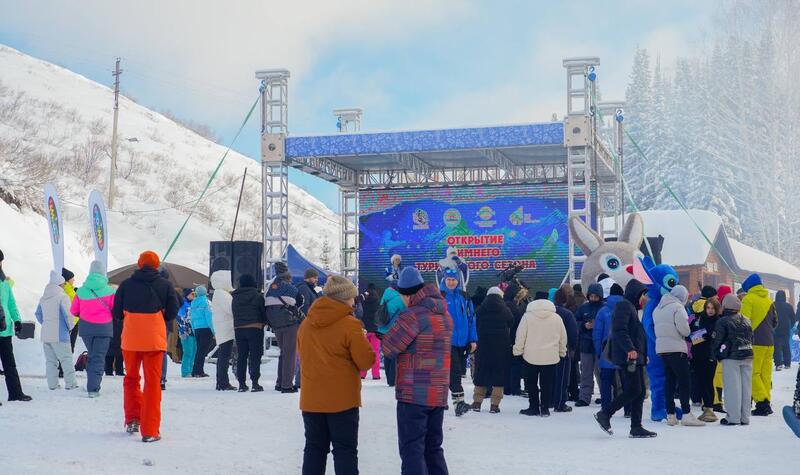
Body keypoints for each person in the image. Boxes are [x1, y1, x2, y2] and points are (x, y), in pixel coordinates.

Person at [297, 276, 375, 474]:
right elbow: (366, 361)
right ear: (344, 298)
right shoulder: (350, 325)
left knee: (314, 449)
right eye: (352, 298)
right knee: (345, 451)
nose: (354, 301)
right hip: (342, 401)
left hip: (312, 399)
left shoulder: (306, 324)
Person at [382, 267, 452, 475]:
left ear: (406, 293)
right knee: (433, 448)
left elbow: (389, 347)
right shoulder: (444, 313)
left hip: (414, 394)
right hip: (438, 392)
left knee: (412, 449)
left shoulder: (412, 315)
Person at [112, 251, 178, 442]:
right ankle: (150, 431)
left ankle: (133, 418)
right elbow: (172, 312)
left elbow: (117, 313)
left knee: (131, 378)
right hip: (154, 340)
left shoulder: (125, 285)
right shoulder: (165, 285)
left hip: (131, 340)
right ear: (157, 266)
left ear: (138, 265)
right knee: (152, 383)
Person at [594, 279, 657, 438]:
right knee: (634, 389)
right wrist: (630, 349)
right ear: (636, 294)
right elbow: (619, 330)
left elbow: (636, 335)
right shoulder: (624, 306)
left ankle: (636, 426)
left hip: (634, 356)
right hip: (628, 356)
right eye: (643, 295)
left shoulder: (631, 308)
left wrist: (643, 355)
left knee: (640, 391)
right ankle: (605, 413)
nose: (645, 298)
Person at [653, 284, 704, 426]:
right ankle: (687, 414)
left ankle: (671, 415)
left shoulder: (658, 308)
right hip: (676, 348)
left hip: (662, 349)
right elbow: (684, 330)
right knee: (684, 381)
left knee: (669, 381)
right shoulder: (677, 307)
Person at [513, 297, 567, 417]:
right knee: (547, 384)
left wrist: (517, 351)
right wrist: (562, 352)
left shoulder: (527, 317)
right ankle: (545, 408)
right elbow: (563, 338)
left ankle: (533, 407)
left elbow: (520, 336)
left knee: (531, 383)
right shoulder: (557, 318)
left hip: (530, 356)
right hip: (551, 357)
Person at [71, 260, 115, 397]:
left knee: (92, 355)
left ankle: (92, 382)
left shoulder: (81, 291)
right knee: (98, 357)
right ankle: (93, 388)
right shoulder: (110, 291)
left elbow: (73, 311)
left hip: (86, 329)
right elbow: (115, 310)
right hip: (104, 328)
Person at [711, 294, 754, 425]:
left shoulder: (723, 321)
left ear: (725, 306)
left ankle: (733, 417)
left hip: (731, 357)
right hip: (747, 354)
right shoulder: (747, 320)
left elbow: (717, 340)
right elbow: (751, 337)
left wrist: (714, 354)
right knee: (746, 388)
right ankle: (745, 417)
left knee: (732, 387)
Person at [440, 266, 477, 416]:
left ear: (458, 280)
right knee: (454, 373)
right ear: (444, 280)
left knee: (453, 373)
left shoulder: (465, 296)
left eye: (453, 280)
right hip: (445, 342)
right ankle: (459, 403)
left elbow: (472, 319)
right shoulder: (439, 297)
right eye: (448, 279)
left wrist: (473, 339)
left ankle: (441, 402)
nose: (451, 282)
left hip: (461, 342)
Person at [740, 273, 778, 416]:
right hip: (770, 342)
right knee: (765, 374)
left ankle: (762, 403)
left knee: (753, 373)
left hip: (755, 342)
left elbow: (744, 323)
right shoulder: (769, 300)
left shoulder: (748, 299)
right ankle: (766, 399)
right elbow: (775, 322)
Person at [471, 286, 514, 413]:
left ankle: (477, 402)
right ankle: (494, 405)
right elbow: (511, 322)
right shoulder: (506, 310)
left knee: (481, 372)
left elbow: (475, 323)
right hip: (501, 347)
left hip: (483, 346)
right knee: (499, 374)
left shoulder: (480, 310)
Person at [35, 270, 78, 391]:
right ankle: (71, 383)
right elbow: (68, 316)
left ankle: (53, 385)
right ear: (60, 284)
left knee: (50, 361)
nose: (65, 286)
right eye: (64, 284)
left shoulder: (43, 298)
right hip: (60, 334)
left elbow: (38, 314)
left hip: (46, 334)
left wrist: (47, 324)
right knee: (66, 359)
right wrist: (70, 328)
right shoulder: (62, 297)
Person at [265, 262, 303, 393]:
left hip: (275, 324)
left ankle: (279, 382)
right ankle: (286, 385)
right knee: (290, 354)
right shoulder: (290, 288)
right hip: (289, 323)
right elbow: (300, 302)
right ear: (287, 275)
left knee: (283, 353)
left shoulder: (271, 287)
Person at [0, 249, 31, 402]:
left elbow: (11, 303)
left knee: (9, 364)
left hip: (4, 329)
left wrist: (17, 320)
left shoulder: (4, 283)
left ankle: (15, 393)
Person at [593, 283, 627, 414]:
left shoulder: (603, 311)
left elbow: (597, 333)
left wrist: (598, 352)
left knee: (606, 382)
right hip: (625, 350)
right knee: (626, 382)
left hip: (607, 351)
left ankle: (606, 408)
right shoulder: (627, 308)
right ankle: (628, 409)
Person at [231, 274, 266, 392]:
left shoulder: (235, 297)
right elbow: (263, 312)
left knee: (242, 356)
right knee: (255, 356)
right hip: (255, 328)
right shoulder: (257, 296)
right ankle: (255, 383)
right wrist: (264, 322)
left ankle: (242, 384)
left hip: (239, 329)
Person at [689, 296, 722, 422]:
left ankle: (709, 408)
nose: (710, 310)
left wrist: (699, 335)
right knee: (700, 381)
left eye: (713, 308)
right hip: (697, 355)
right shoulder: (699, 319)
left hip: (710, 356)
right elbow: (691, 335)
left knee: (708, 382)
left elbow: (708, 336)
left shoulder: (718, 321)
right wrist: (700, 335)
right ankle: (707, 408)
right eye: (708, 308)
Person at [574, 283, 604, 407]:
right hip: (586, 345)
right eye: (591, 296)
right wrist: (584, 326)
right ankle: (584, 397)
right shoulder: (583, 308)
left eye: (595, 296)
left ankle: (606, 395)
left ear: (600, 296)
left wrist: (597, 326)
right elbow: (576, 322)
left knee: (602, 373)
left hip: (601, 346)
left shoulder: (604, 308)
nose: (593, 299)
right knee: (585, 372)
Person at [552, 284, 577, 412]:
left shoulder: (549, 312)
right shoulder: (567, 314)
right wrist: (573, 348)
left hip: (547, 350)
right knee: (562, 377)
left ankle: (548, 400)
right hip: (563, 349)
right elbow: (573, 334)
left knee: (549, 377)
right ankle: (560, 402)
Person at [377, 283, 406, 387]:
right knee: (394, 355)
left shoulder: (384, 296)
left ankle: (389, 378)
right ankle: (393, 380)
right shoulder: (399, 298)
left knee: (386, 355)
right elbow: (406, 312)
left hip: (382, 330)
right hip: (394, 330)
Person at [210, 270, 235, 391]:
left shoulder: (219, 293)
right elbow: (231, 310)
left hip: (223, 328)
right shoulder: (223, 294)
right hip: (226, 329)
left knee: (223, 356)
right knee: (224, 356)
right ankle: (223, 382)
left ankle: (221, 381)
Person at [504, 281, 527, 396]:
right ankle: (515, 388)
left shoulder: (504, 304)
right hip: (514, 339)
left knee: (507, 364)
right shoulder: (514, 307)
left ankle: (507, 387)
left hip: (505, 339)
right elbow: (518, 324)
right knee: (515, 365)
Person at [357, 283, 381, 380]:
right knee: (375, 352)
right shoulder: (378, 298)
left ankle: (362, 373)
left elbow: (357, 300)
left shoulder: (364, 296)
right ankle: (376, 374)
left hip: (365, 328)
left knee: (364, 352)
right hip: (375, 329)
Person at [190, 285, 214, 378]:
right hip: (206, 329)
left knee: (199, 350)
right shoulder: (206, 302)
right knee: (202, 351)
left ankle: (195, 370)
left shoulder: (193, 303)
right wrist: (214, 331)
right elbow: (209, 317)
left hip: (197, 329)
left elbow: (191, 318)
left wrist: (194, 329)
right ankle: (198, 371)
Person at [773, 290, 795, 371]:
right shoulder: (788, 306)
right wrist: (790, 326)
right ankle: (787, 363)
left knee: (777, 347)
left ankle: (778, 364)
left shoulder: (773, 305)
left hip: (775, 328)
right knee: (786, 346)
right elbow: (793, 318)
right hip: (786, 329)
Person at [176, 289, 196, 378]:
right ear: (187, 295)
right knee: (188, 351)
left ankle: (191, 370)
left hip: (194, 331)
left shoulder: (193, 304)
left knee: (194, 351)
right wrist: (183, 330)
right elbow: (180, 318)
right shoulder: (183, 304)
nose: (194, 295)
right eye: (192, 294)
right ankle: (185, 371)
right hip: (186, 332)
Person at [62, 267, 80, 353]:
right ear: (68, 279)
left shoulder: (68, 288)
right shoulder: (68, 289)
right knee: (69, 346)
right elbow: (75, 303)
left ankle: (62, 365)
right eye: (72, 278)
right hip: (72, 322)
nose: (74, 280)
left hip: (71, 321)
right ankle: (64, 365)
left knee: (67, 345)